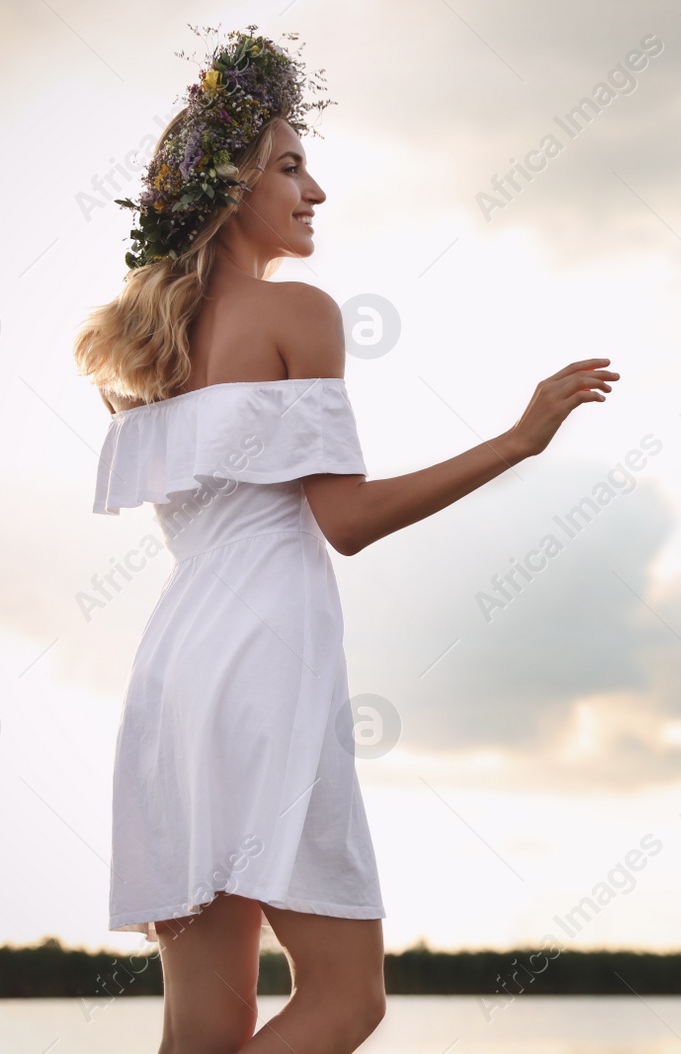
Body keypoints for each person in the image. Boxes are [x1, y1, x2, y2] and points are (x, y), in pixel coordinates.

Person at [72, 29, 618, 1054]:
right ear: (232, 190)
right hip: (266, 667)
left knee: (205, 1025)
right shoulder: (299, 311)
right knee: (345, 997)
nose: (314, 190)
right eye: (288, 166)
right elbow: (346, 522)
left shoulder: (162, 346)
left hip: (175, 676)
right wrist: (520, 439)